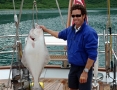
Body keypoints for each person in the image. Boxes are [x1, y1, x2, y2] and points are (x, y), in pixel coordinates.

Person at [40, 4, 98, 90]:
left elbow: (92, 55)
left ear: (84, 16)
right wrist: (46, 30)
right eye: (73, 16)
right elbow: (58, 34)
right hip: (73, 67)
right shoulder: (70, 30)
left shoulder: (89, 33)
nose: (75, 18)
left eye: (78, 15)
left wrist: (85, 72)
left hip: (84, 68)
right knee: (72, 88)